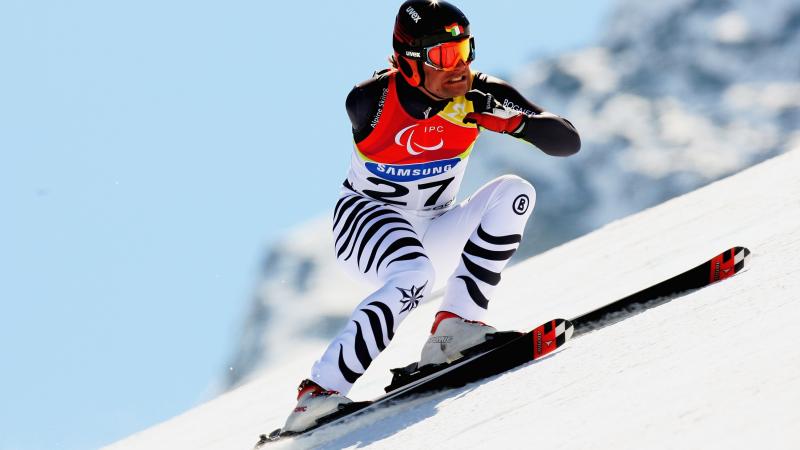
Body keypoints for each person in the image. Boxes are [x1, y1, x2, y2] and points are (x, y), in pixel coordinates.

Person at [282, 0, 580, 432]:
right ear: (408, 63)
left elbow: (566, 141)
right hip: (367, 223)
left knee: (515, 193)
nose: (459, 67)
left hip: (434, 226)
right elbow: (371, 105)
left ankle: (452, 332)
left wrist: (512, 123)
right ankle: (318, 391)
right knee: (414, 271)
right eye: (443, 56)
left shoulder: (481, 93)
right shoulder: (373, 99)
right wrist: (443, 110)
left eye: (465, 51)